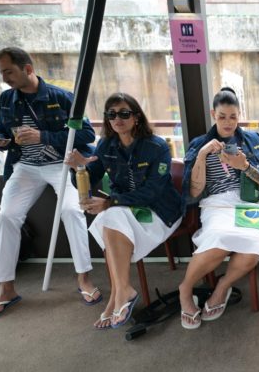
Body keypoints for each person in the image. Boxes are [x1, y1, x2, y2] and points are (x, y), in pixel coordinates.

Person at [0, 47, 99, 321]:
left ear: (28, 69)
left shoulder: (62, 97)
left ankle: (84, 278)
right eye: (1, 72)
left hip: (61, 164)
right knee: (7, 216)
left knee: (72, 210)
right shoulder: (7, 99)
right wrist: (0, 141)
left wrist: (43, 136)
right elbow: (3, 131)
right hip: (25, 167)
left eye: (8, 71)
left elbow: (87, 134)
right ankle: (6, 289)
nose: (4, 77)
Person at [178, 87, 259, 330]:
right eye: (222, 116)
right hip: (218, 203)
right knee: (217, 239)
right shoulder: (200, 144)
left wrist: (243, 166)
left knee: (254, 243)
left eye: (233, 117)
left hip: (254, 203)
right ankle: (185, 290)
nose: (228, 122)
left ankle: (222, 287)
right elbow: (193, 191)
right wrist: (201, 156)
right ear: (214, 114)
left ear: (239, 115)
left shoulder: (255, 140)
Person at [65, 92, 184, 329]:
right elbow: (85, 182)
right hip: (124, 210)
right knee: (111, 218)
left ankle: (118, 297)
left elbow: (152, 192)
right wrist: (78, 169)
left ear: (136, 117)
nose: (117, 118)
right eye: (111, 114)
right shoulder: (106, 145)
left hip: (160, 211)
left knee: (110, 215)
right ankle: (121, 293)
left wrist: (109, 202)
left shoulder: (157, 147)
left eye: (124, 113)